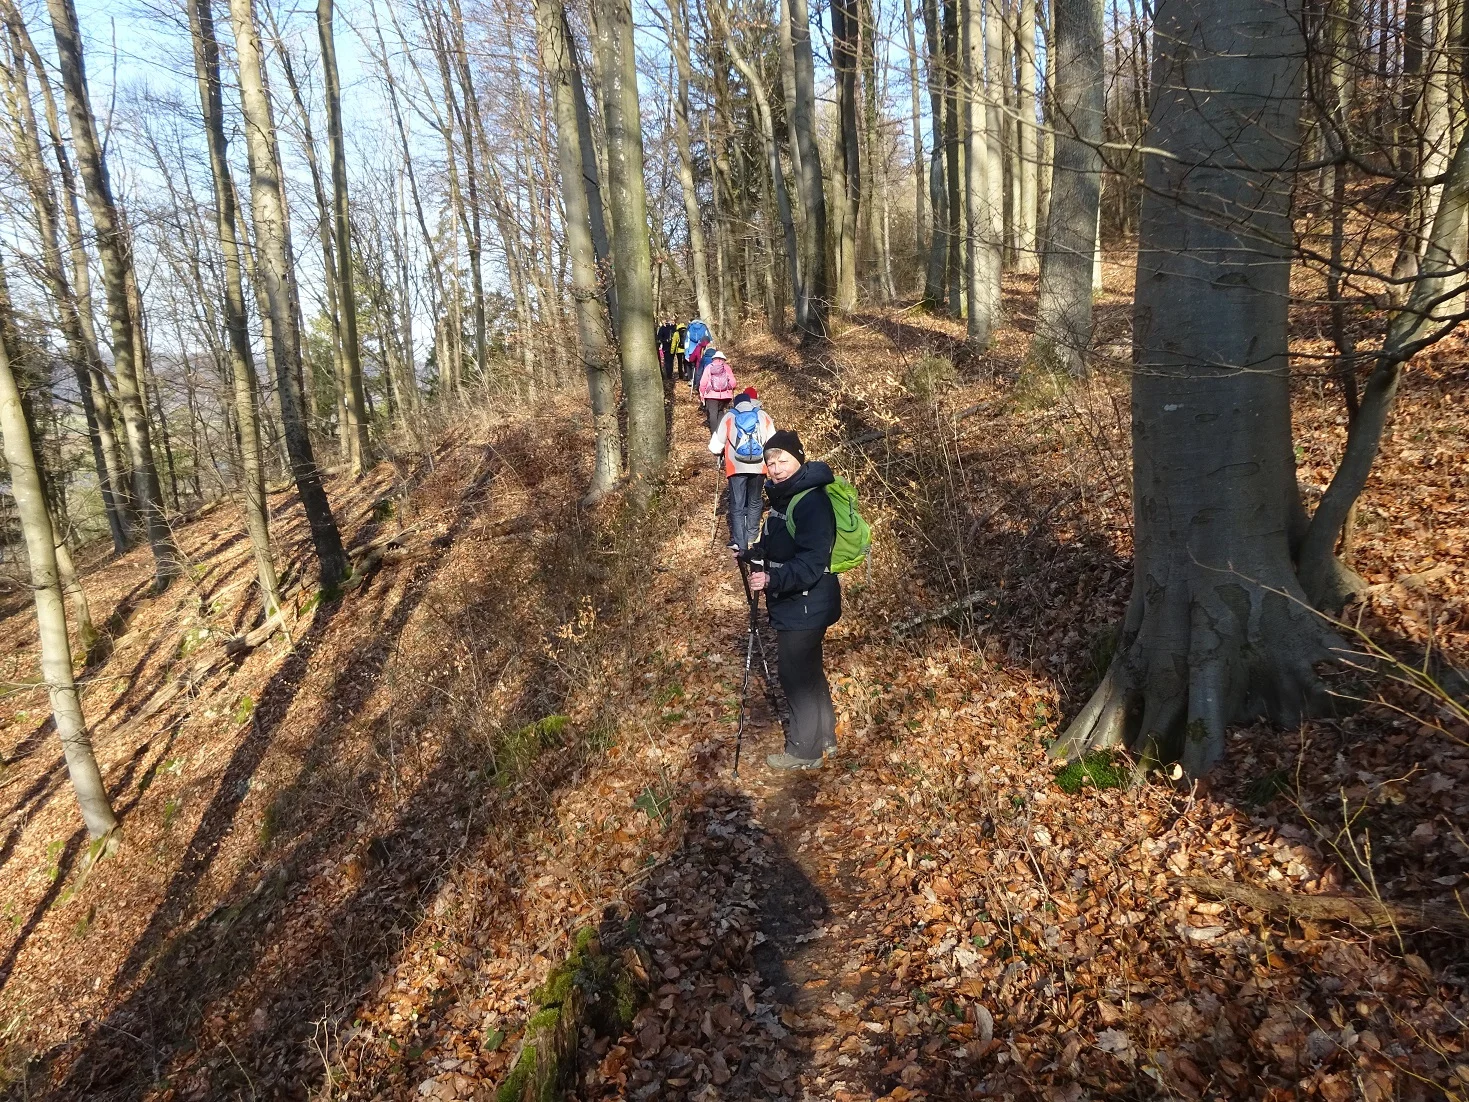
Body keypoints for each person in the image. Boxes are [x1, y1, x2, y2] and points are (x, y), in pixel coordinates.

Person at [744, 429, 840, 771]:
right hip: (799, 601)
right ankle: (825, 738)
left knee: (794, 673)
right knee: (809, 668)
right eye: (770, 463)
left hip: (807, 602)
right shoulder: (785, 497)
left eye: (782, 460)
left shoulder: (812, 502)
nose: (776, 468)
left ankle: (804, 751)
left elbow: (812, 561)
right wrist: (753, 553)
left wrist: (772, 578)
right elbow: (780, 543)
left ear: (799, 459)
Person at [708, 387, 775, 551]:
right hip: (759, 466)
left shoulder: (729, 416)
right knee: (755, 501)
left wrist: (722, 451)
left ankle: (740, 541)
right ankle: (752, 535)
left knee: (737, 505)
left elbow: (715, 446)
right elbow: (773, 442)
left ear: (736, 404)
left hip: (736, 466)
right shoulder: (763, 415)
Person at [698, 349, 737, 432]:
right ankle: (720, 433)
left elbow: (703, 383)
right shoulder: (726, 367)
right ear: (723, 359)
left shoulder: (709, 367)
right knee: (720, 412)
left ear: (713, 358)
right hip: (725, 396)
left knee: (713, 414)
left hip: (711, 395)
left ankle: (714, 434)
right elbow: (733, 383)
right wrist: (728, 388)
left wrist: (702, 394)